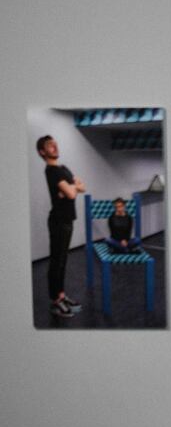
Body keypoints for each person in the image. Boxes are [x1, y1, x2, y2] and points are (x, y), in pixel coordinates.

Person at [36, 135, 86, 318]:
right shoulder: (51, 171)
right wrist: (72, 188)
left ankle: (62, 296)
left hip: (67, 220)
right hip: (58, 221)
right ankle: (55, 301)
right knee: (56, 261)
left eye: (55, 143)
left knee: (63, 260)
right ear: (43, 152)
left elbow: (82, 187)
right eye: (50, 145)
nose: (55, 146)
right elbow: (73, 193)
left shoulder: (63, 168)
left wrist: (69, 189)